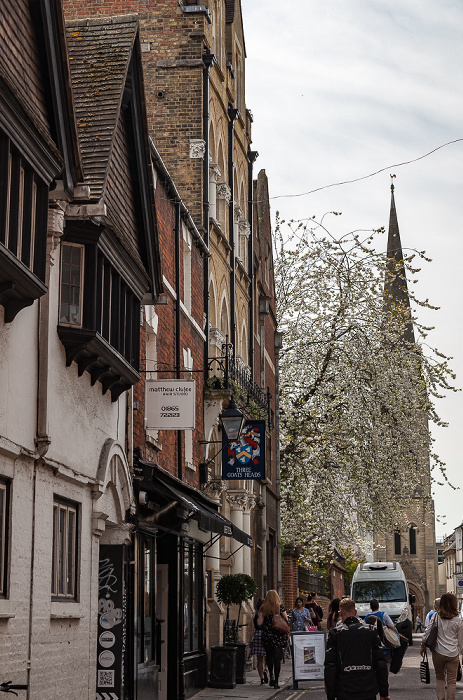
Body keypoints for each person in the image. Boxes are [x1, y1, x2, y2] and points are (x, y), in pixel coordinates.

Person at [324, 597, 390, 700]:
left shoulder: (335, 634)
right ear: (355, 612)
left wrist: (331, 696)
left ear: (340, 613)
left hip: (344, 690)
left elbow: (330, 667)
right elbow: (380, 663)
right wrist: (384, 693)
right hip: (368, 690)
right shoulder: (371, 630)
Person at [420, 592, 463, 700]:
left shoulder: (435, 616)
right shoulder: (458, 620)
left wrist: (423, 645)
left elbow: (427, 632)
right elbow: (461, 641)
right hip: (453, 654)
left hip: (438, 652)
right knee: (452, 682)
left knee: (440, 678)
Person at [257, 589, 289, 690]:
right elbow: (287, 620)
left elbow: (259, 623)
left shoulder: (263, 608)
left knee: (269, 657)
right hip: (278, 636)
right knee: (277, 660)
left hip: (267, 636)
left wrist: (260, 614)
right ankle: (276, 682)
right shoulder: (280, 607)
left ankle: (271, 675)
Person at [364, 598, 396, 672]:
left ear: (370, 607)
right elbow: (391, 626)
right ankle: (385, 675)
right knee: (387, 660)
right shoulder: (383, 614)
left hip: (372, 642)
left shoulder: (367, 617)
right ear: (378, 606)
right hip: (384, 641)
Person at [249, 598, 268, 684]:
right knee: (268, 656)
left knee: (259, 659)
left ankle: (262, 677)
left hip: (257, 635)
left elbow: (252, 629)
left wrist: (250, 640)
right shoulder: (267, 615)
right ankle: (266, 670)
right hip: (266, 636)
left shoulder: (255, 615)